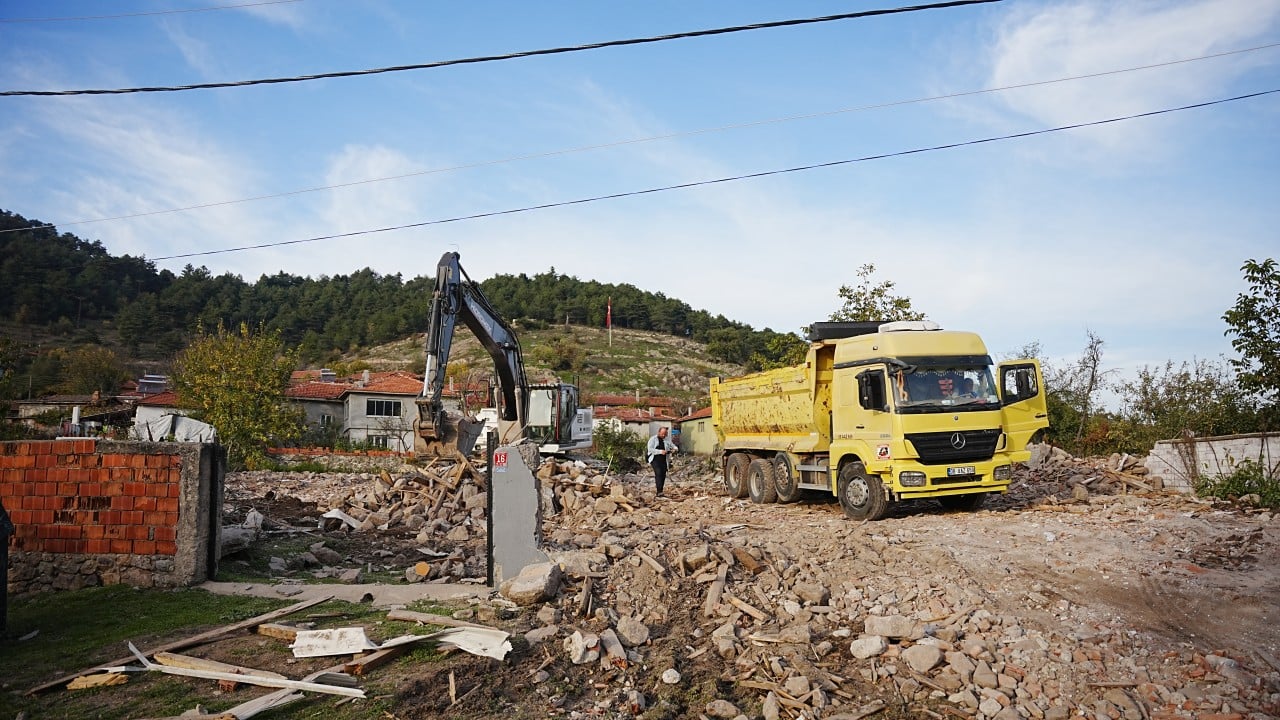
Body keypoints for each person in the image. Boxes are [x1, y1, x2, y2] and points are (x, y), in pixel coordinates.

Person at [646, 426, 678, 496]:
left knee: (663, 474)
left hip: (664, 459)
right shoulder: (653, 439)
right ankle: (659, 491)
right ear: (659, 432)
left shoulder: (667, 440)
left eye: (665, 434)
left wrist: (675, 449)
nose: (663, 435)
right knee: (658, 472)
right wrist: (660, 451)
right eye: (662, 434)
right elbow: (650, 449)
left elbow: (673, 446)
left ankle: (661, 490)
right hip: (655, 459)